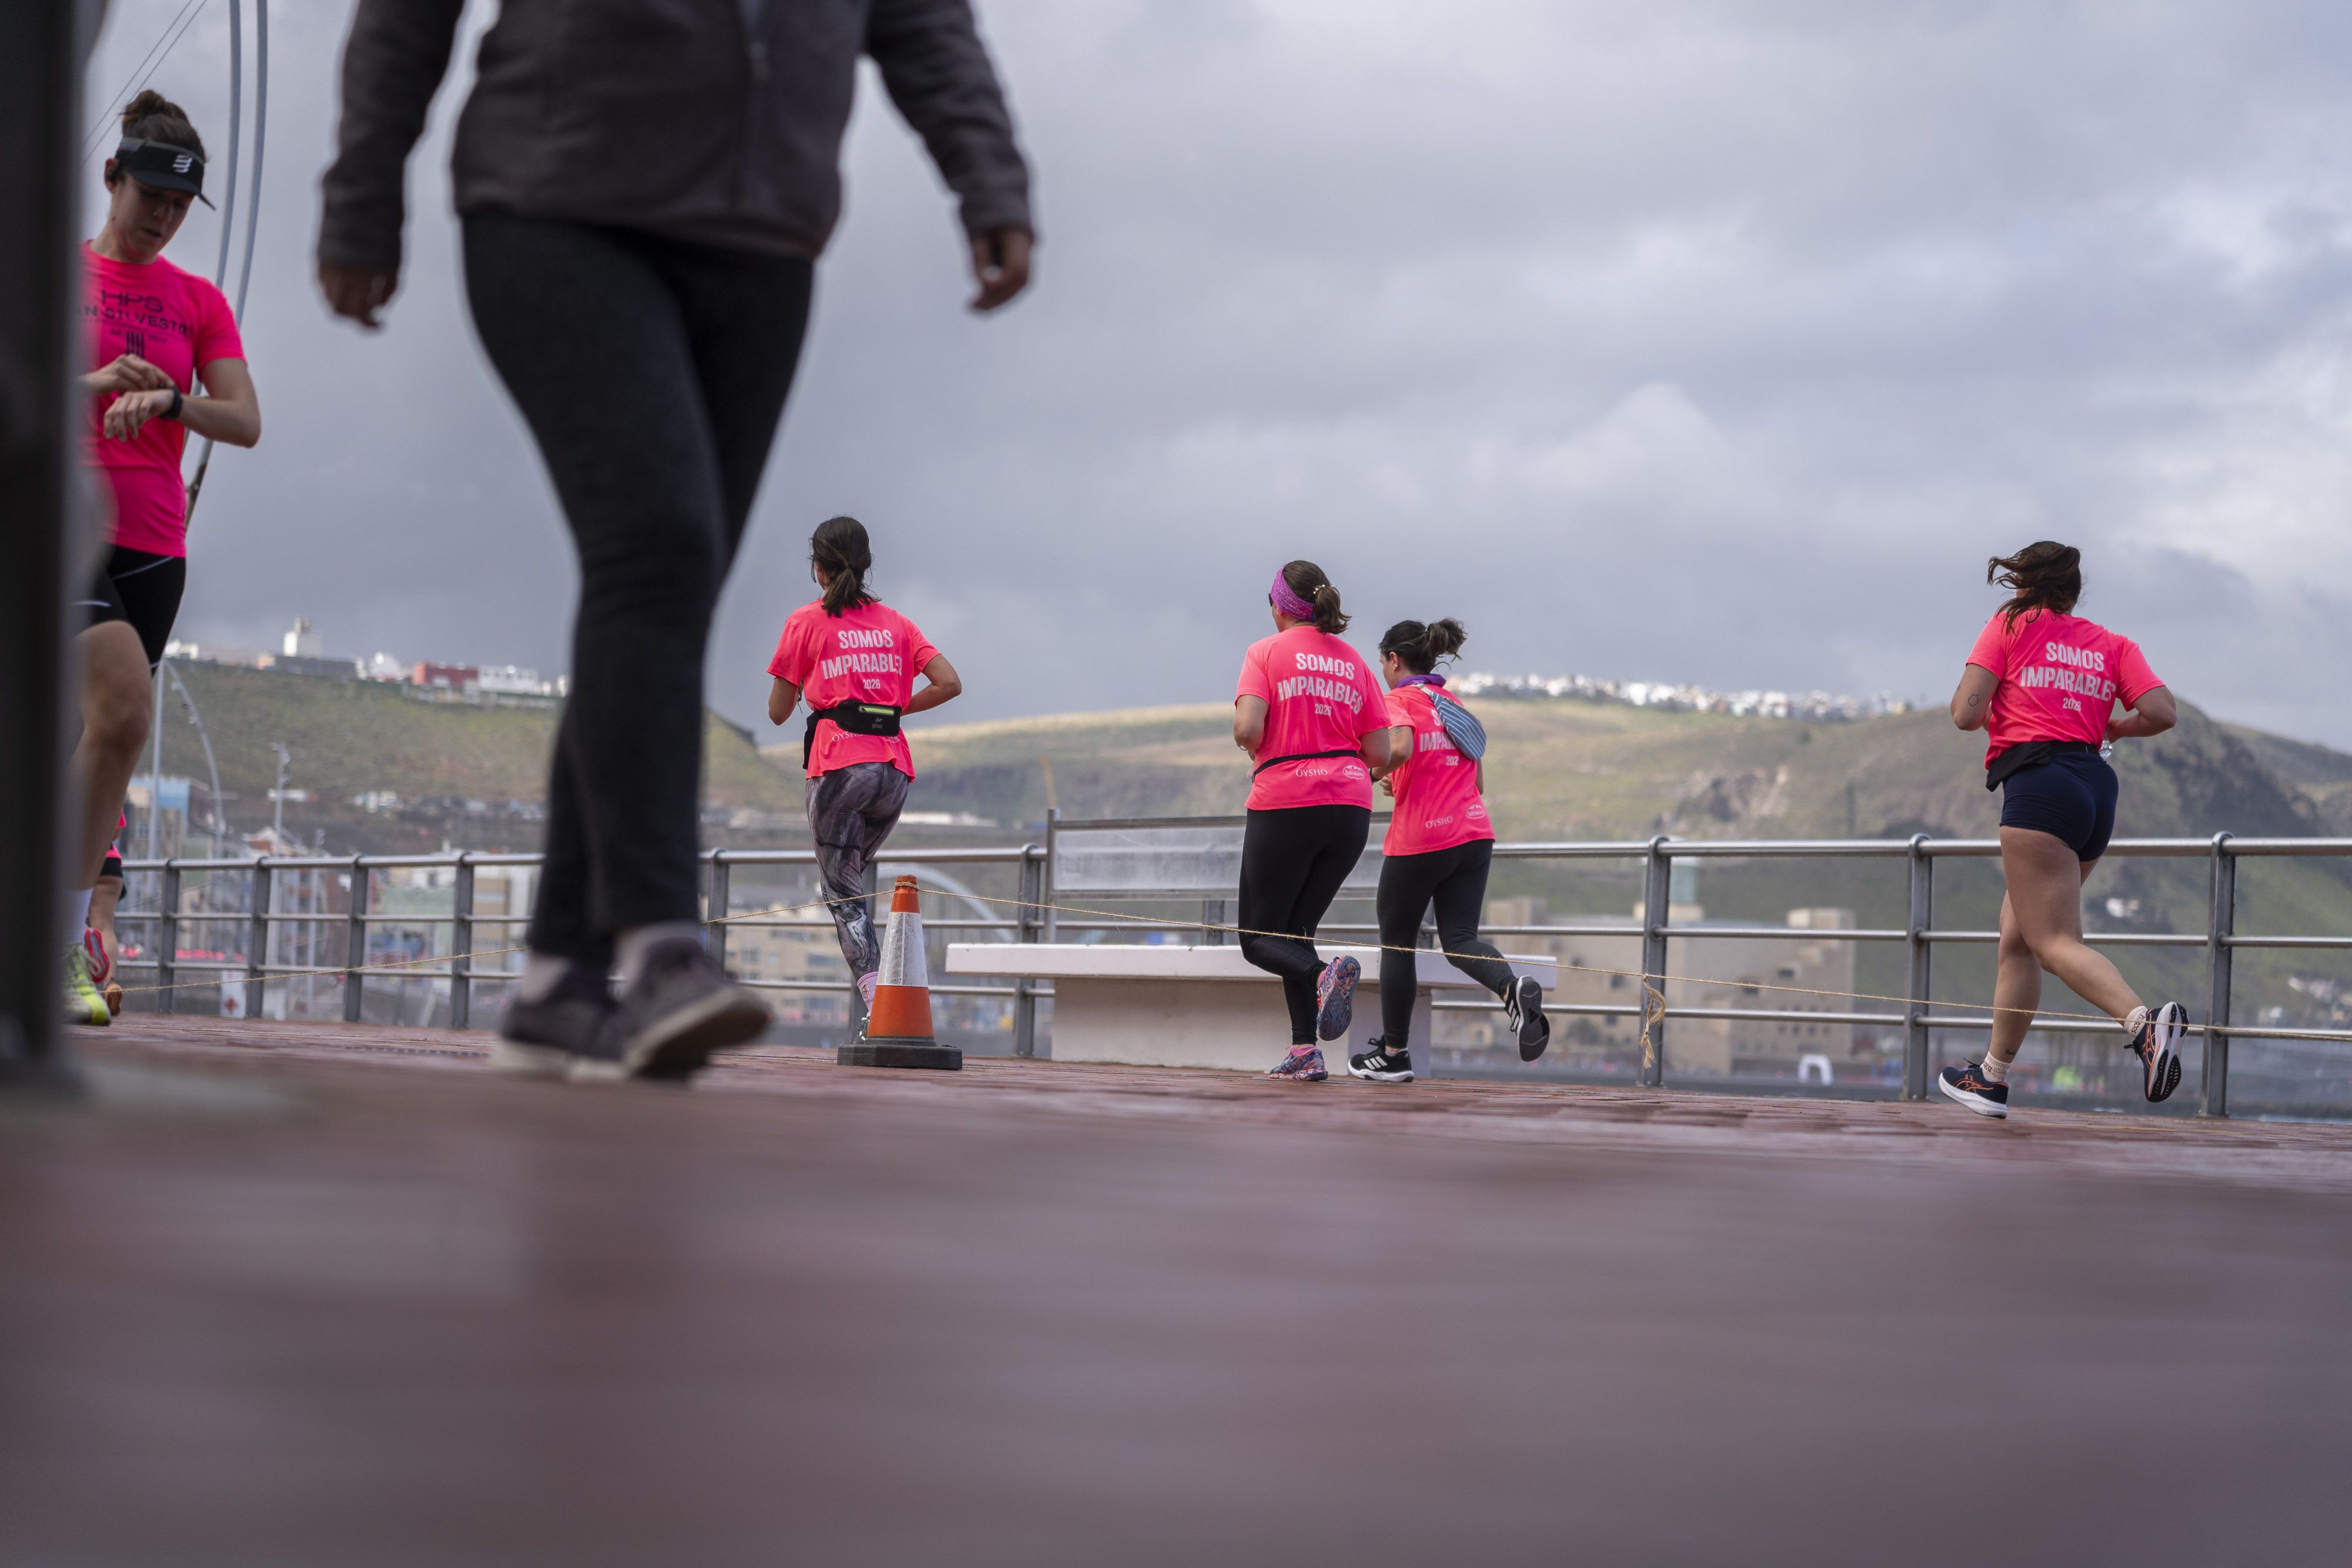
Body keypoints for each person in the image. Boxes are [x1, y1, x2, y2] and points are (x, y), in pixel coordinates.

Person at [318, 0, 1034, 1081]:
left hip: (760, 238)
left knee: (659, 585)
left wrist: (990, 178)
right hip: (562, 204)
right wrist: (363, 190)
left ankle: (558, 978)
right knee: (656, 553)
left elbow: (925, 21)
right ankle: (659, 945)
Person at [67, 91, 262, 1028]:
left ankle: (66, 941)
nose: (162, 218)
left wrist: (176, 404)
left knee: (103, 738)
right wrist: (94, 384)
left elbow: (247, 420)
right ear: (113, 177)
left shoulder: (197, 302)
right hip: (57, 521)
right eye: (150, 195)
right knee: (123, 708)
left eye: (180, 208)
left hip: (154, 547)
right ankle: (51, 941)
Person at [1939, 542, 2187, 1118]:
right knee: (2018, 936)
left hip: (2038, 786)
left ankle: (2144, 1027)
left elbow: (1965, 714)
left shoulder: (2007, 626)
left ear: (2024, 585)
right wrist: (2116, 729)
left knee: (2052, 943)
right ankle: (1991, 1079)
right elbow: (2163, 712)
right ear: (2073, 593)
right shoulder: (2111, 643)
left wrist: (1994, 688)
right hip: (2094, 789)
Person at [765, 517, 962, 1027]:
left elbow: (778, 712)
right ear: (865, 563)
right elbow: (949, 682)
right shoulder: (898, 623)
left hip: (839, 767)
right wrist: (893, 707)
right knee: (851, 886)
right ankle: (888, 1000)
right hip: (893, 771)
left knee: (844, 896)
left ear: (818, 567)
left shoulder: (805, 621)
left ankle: (884, 1012)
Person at [1347, 618, 1545, 1084]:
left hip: (1423, 839)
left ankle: (1395, 1054)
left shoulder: (1399, 700)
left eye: (1382, 663)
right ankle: (1511, 986)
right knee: (1459, 940)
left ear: (1394, 660)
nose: (1382, 673)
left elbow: (1399, 744)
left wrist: (1370, 774)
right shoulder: (1451, 704)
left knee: (1397, 943)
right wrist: (1405, 780)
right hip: (1475, 834)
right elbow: (1475, 780)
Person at [1232, 561, 1393, 1081]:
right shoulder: (1355, 662)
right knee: (1296, 931)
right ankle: (1305, 1049)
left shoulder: (1265, 652)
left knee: (1257, 938)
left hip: (1286, 799)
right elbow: (1382, 751)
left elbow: (1246, 727)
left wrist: (1253, 742)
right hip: (1349, 809)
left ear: (1280, 605)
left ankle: (1325, 974)